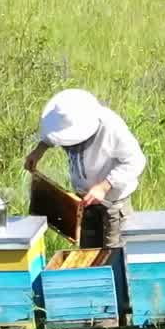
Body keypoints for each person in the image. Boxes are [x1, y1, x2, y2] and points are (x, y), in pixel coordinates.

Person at [24, 89, 146, 250]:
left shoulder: (111, 127)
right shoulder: (64, 120)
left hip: (113, 205)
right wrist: (40, 148)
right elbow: (55, 134)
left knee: (113, 259)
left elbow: (136, 161)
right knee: (88, 257)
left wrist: (105, 186)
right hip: (85, 204)